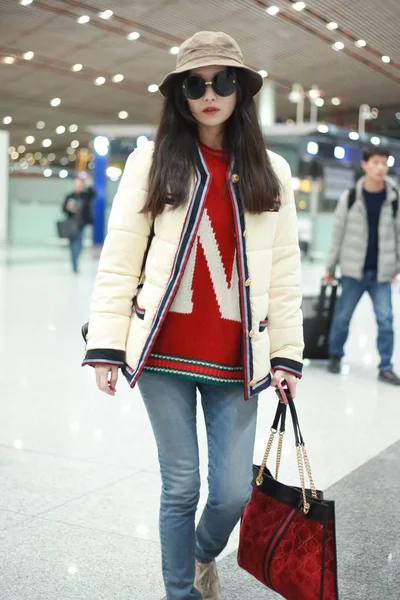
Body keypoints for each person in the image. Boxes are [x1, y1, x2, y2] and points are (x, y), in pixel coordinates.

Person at [82, 31, 304, 600]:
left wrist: (286, 354)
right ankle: (180, 591)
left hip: (238, 357)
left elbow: (283, 271)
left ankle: (203, 553)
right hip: (162, 350)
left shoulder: (272, 170)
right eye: (195, 84)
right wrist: (106, 344)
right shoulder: (152, 160)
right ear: (180, 94)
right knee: (180, 488)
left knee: (231, 492)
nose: (210, 93)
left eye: (222, 81)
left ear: (241, 90)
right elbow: (121, 255)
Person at [325, 147, 400, 385]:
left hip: (381, 273)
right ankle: (335, 355)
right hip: (352, 271)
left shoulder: (394, 198)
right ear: (365, 164)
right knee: (343, 317)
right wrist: (330, 267)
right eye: (375, 162)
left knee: (386, 320)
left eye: (384, 163)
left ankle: (386, 366)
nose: (381, 167)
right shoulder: (350, 197)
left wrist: (396, 267)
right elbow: (337, 233)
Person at [62, 177, 93, 273]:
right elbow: (63, 209)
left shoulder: (85, 196)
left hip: (81, 225)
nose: (77, 187)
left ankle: (75, 259)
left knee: (79, 246)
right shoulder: (70, 196)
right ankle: (74, 265)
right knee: (73, 245)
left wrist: (88, 184)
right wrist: (68, 208)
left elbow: (93, 194)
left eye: (79, 185)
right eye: (76, 185)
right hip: (71, 225)